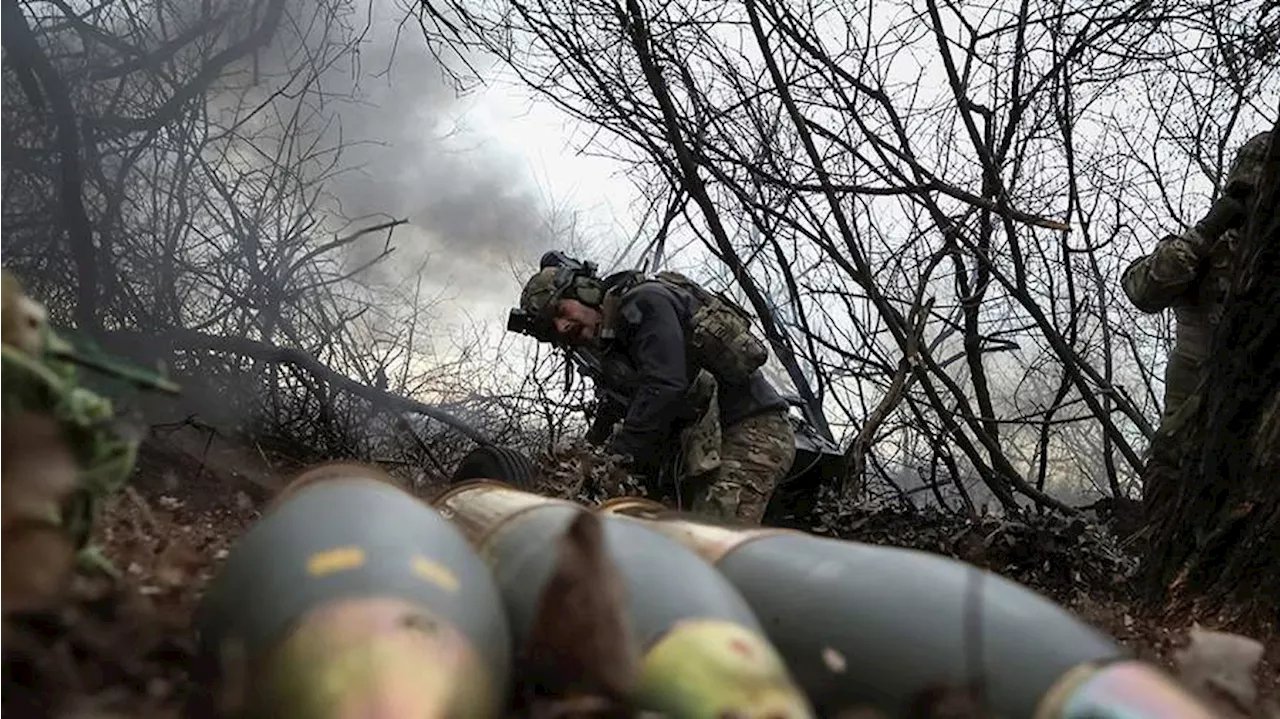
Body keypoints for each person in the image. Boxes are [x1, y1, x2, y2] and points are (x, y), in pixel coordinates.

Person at [517, 254, 796, 524]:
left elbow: (664, 385)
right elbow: (618, 407)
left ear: (585, 292)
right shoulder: (616, 343)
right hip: (707, 445)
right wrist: (586, 456)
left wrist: (614, 456)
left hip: (751, 431)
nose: (562, 326)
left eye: (560, 311)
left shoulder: (644, 301)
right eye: (552, 327)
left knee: (713, 542)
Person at [1122, 131, 1270, 440]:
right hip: (1190, 435)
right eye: (1241, 194)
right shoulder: (1206, 249)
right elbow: (1142, 290)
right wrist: (1206, 231)